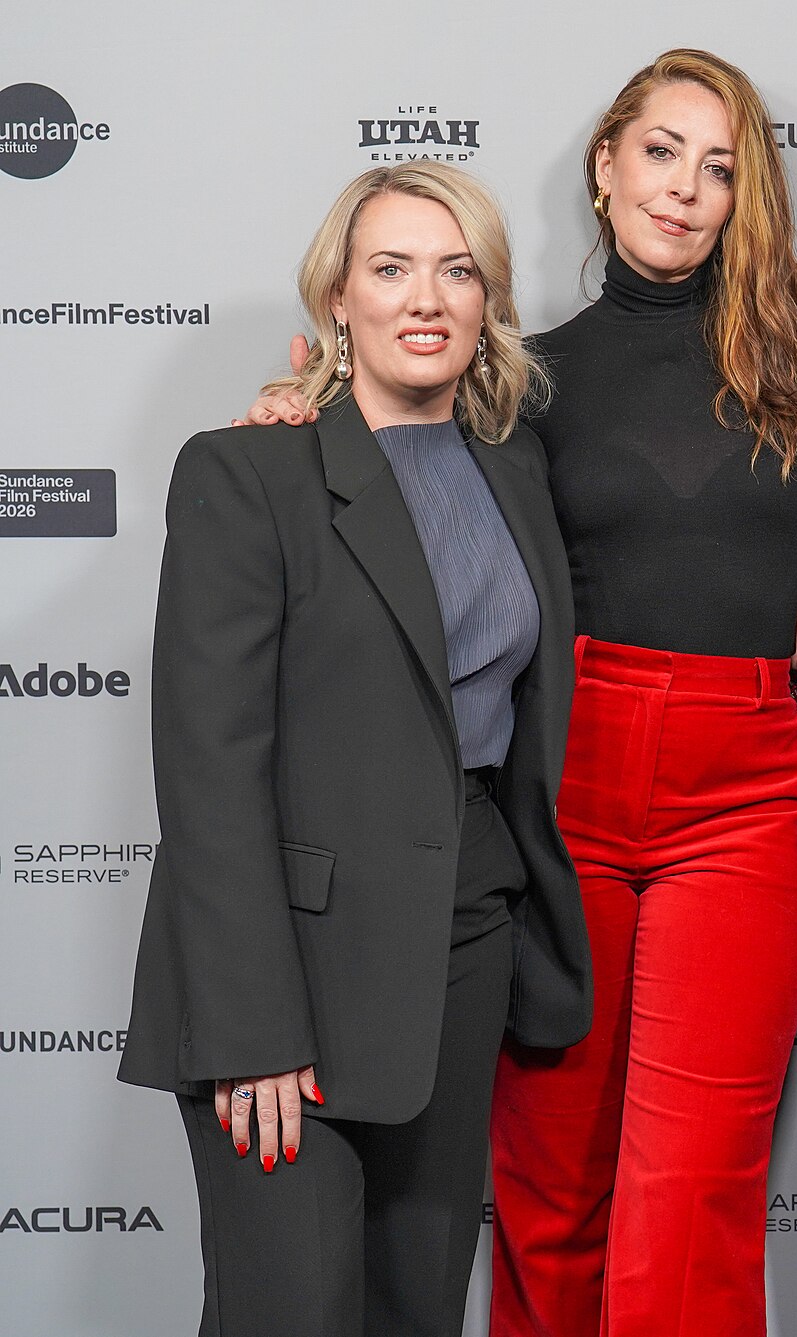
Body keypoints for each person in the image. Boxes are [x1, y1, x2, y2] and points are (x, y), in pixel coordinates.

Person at [237, 50, 797, 1337]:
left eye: (720, 169)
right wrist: (299, 403)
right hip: (565, 781)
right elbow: (395, 432)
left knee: (687, 1185)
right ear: (605, 167)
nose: (687, 191)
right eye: (661, 154)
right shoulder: (523, 374)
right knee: (549, 1186)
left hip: (747, 793)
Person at [118, 163, 591, 1337]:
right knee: (293, 1313)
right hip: (291, 973)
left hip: (463, 944)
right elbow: (210, 773)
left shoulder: (516, 468)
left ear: (488, 301)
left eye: (455, 268)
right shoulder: (246, 473)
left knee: (416, 1310)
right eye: (390, 268)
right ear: (337, 297)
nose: (423, 297)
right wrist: (250, 1031)